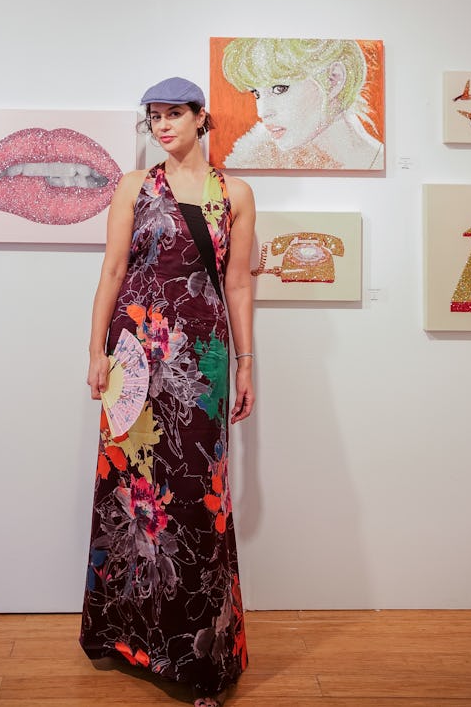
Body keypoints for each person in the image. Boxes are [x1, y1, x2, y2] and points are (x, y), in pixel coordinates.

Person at [80, 76, 255, 707]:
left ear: (201, 118)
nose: (161, 125)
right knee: (130, 495)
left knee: (196, 500)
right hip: (132, 357)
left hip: (202, 360)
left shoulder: (233, 193)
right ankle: (128, 639)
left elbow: (238, 285)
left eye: (173, 114)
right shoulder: (134, 186)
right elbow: (112, 269)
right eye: (153, 116)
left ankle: (200, 656)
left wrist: (245, 361)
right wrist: (95, 349)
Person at [218, 37, 384, 170]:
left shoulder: (380, 161)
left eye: (279, 89)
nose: (262, 112)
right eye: (256, 93)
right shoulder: (255, 159)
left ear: (333, 79)